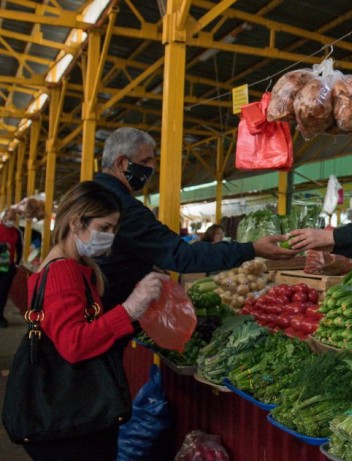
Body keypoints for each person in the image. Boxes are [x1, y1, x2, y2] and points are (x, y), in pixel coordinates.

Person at [19, 181, 167, 460]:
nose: (110, 236)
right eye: (104, 228)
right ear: (76, 223)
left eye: (113, 229)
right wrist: (131, 308)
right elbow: (73, 344)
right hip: (73, 420)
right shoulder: (63, 272)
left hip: (72, 416)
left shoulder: (73, 267)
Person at [93, 127, 298, 308]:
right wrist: (252, 248)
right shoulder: (122, 206)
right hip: (107, 310)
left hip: (92, 304)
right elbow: (183, 256)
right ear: (121, 162)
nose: (151, 168)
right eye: (145, 160)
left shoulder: (88, 194)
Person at [0, 207, 22, 327]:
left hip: (8, 267)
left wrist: (17, 264)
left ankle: (0, 316)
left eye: (12, 219)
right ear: (3, 218)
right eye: (8, 218)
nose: (10, 220)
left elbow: (20, 248)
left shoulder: (17, 232)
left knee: (3, 292)